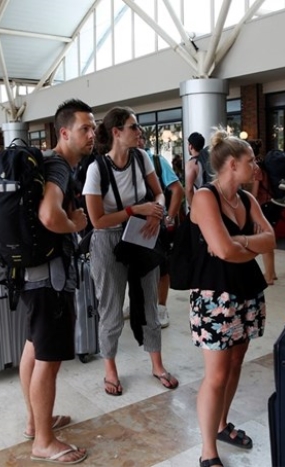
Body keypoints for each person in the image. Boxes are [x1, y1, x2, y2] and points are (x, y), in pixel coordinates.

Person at [188, 129, 275, 467]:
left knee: (236, 363)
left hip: (246, 290)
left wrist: (239, 241)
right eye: (251, 161)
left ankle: (222, 424)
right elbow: (221, 251)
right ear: (232, 164)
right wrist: (244, 244)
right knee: (217, 375)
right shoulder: (205, 197)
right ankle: (208, 451)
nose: (256, 166)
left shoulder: (247, 200)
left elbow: (270, 239)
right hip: (215, 295)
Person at [83, 106, 179, 397]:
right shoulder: (96, 168)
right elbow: (97, 220)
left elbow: (160, 191)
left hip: (141, 233)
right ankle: (110, 368)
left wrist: (155, 211)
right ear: (117, 133)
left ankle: (157, 364)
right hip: (107, 241)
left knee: (149, 302)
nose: (139, 132)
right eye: (133, 127)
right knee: (111, 309)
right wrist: (135, 209)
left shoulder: (142, 158)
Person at [18, 99, 93, 465]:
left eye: (93, 128)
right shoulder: (59, 166)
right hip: (51, 277)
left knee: (33, 349)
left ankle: (37, 424)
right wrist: (75, 224)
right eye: (85, 128)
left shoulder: (49, 163)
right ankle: (44, 442)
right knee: (48, 359)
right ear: (64, 133)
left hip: (34, 274)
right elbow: (50, 215)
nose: (92, 134)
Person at [138, 135, 184, 328]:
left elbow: (177, 190)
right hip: (134, 224)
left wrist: (170, 216)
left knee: (162, 267)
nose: (137, 140)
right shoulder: (122, 163)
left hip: (158, 224)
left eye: (140, 136)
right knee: (136, 267)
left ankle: (161, 307)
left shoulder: (156, 161)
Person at [249, 160, 280, 284]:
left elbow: (255, 193)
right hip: (271, 204)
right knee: (268, 241)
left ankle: (269, 277)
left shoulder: (256, 170)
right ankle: (271, 272)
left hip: (264, 207)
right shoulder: (265, 168)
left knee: (264, 242)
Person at [184, 132, 206, 209]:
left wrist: (193, 209)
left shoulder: (191, 164)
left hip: (202, 205)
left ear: (190, 146)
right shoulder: (210, 160)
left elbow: (189, 189)